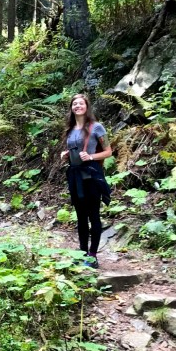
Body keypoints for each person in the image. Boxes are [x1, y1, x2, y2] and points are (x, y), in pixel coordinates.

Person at [59, 94, 112, 268]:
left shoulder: (97, 127)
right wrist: (67, 154)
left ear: (87, 107)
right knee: (81, 216)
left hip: (91, 175)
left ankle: (93, 256)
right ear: (71, 108)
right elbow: (74, 150)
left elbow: (108, 151)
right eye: (74, 104)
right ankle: (82, 253)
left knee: (93, 214)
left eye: (81, 103)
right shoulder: (70, 129)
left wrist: (91, 156)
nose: (77, 106)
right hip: (75, 176)